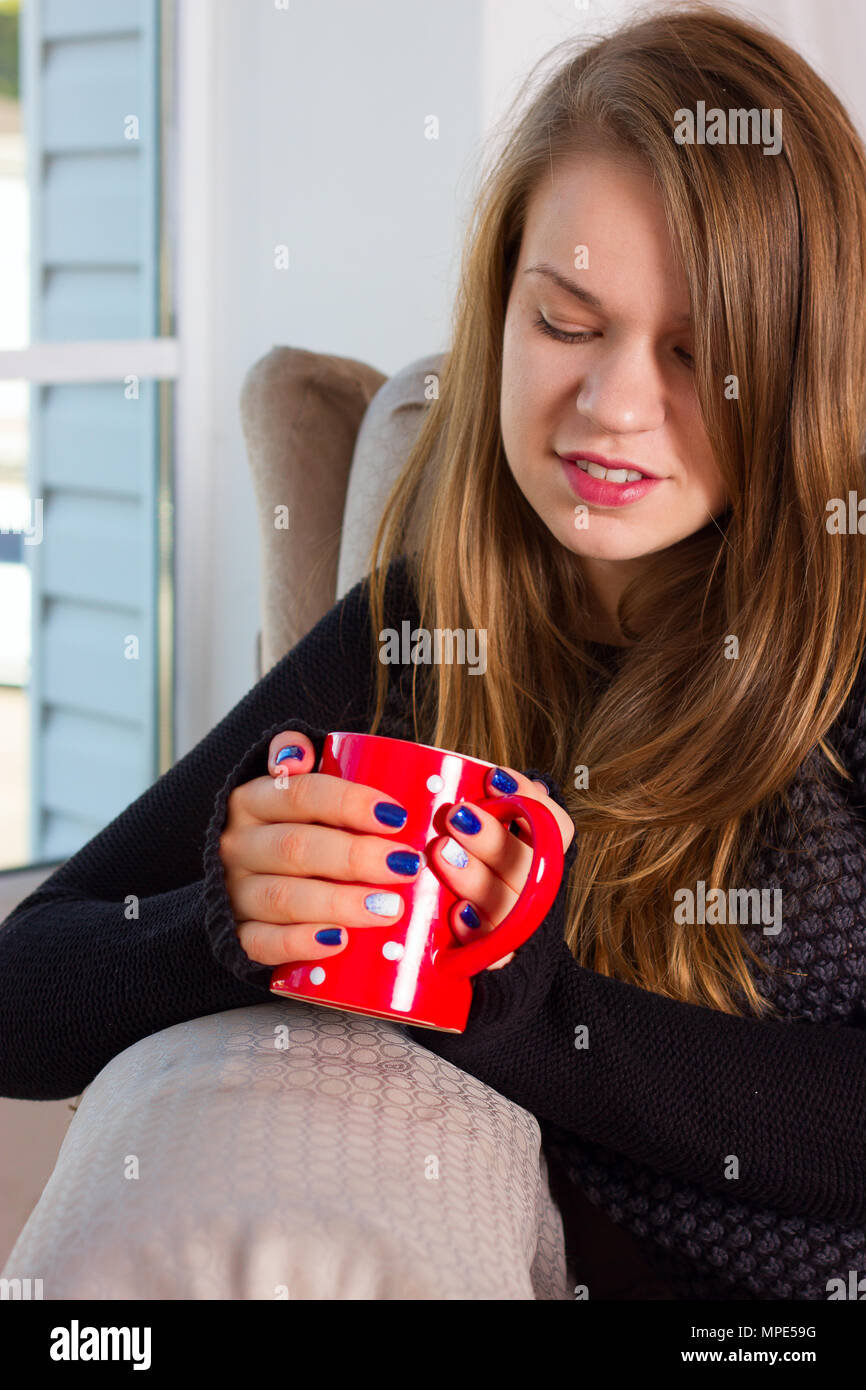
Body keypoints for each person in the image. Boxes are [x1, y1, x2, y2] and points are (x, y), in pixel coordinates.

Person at [2, 3, 865, 1300]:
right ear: (500, 306)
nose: (611, 404)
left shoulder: (843, 640)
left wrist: (530, 1012)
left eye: (695, 354)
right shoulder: (415, 632)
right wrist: (225, 927)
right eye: (567, 322)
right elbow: (25, 988)